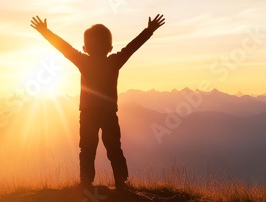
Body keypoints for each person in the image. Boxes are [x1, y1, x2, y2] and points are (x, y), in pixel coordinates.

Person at [30, 14, 165, 190]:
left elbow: (64, 47)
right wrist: (149, 30)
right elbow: (132, 47)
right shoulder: (114, 61)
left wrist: (45, 32)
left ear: (85, 48)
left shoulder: (82, 61)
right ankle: (121, 182)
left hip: (87, 114)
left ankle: (86, 183)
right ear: (109, 47)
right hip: (108, 113)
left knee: (87, 148)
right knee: (114, 148)